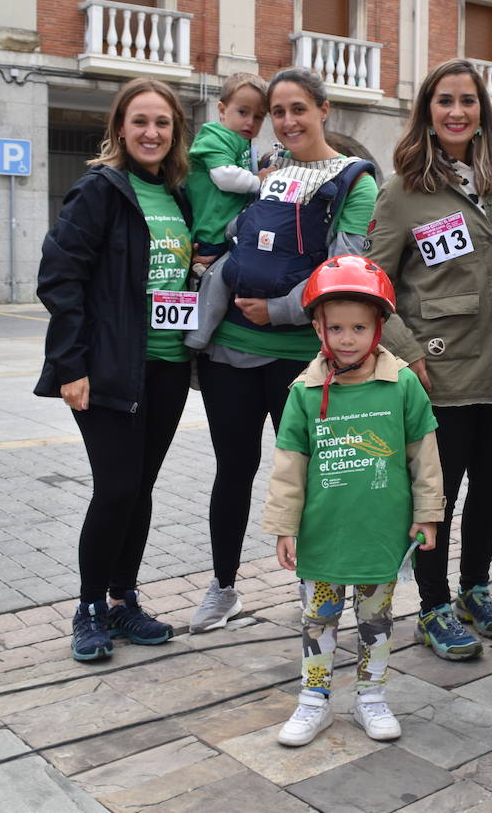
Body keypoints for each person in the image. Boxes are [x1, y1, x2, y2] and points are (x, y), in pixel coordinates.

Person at [186, 67, 379, 634]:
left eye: (299, 108)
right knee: (233, 471)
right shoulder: (261, 171)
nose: (288, 121)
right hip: (229, 352)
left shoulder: (353, 181)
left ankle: (316, 589)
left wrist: (281, 310)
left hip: (301, 355)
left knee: (312, 475)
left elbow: (345, 272)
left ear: (325, 109)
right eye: (277, 111)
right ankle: (222, 587)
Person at [362, 59, 492, 660]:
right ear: (427, 111)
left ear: (482, 109)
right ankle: (431, 606)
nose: (457, 111)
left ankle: (473, 588)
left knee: (490, 491)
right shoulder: (404, 188)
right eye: (444, 101)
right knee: (437, 496)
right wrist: (405, 353)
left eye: (468, 100)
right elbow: (372, 283)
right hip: (441, 371)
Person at [35, 78, 193, 663]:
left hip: (168, 365)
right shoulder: (100, 190)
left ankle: (123, 599)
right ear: (120, 129)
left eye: (163, 123)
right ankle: (89, 607)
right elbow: (59, 277)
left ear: (175, 133)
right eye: (140, 122)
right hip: (109, 368)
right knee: (117, 486)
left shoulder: (176, 195)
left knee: (141, 488)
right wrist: (71, 365)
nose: (151, 133)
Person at [262, 254, 443, 746]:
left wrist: (429, 514)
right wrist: (284, 526)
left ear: (379, 326)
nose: (346, 339)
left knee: (376, 620)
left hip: (379, 535)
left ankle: (371, 696)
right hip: (322, 536)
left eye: (358, 327)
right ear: (319, 328)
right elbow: (289, 464)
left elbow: (423, 456)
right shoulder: (304, 389)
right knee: (318, 619)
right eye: (335, 327)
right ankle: (313, 700)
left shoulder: (402, 383)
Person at [187, 72, 268, 272]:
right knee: (211, 286)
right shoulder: (215, 135)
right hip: (212, 232)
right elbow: (225, 176)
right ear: (222, 110)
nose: (250, 121)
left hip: (227, 230)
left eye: (258, 116)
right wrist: (259, 180)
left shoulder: (240, 141)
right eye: (243, 112)